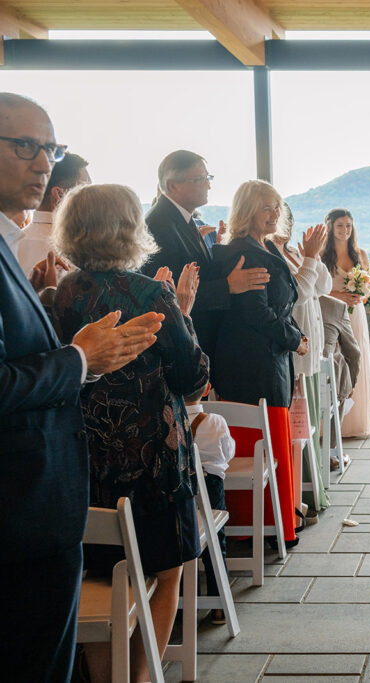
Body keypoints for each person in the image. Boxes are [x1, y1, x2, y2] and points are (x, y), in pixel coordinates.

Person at [0, 92, 162, 683]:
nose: (44, 163)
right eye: (25, 146)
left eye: (51, 147)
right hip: (19, 510)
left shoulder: (25, 257)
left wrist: (76, 347)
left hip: (45, 504)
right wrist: (78, 357)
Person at [50, 183, 208, 682]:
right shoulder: (150, 293)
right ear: (129, 229)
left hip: (87, 461)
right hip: (152, 463)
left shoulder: (61, 295)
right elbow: (192, 379)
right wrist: (184, 314)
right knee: (168, 572)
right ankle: (140, 678)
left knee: (103, 573)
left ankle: (106, 677)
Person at [211, 180, 308, 549]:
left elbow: (283, 305)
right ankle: (261, 528)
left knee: (275, 436)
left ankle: (278, 522)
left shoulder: (266, 246)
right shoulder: (241, 252)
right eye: (267, 207)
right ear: (248, 209)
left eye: (277, 206)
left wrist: (295, 334)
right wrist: (293, 339)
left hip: (271, 357)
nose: (275, 213)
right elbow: (256, 312)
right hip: (251, 361)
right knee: (260, 439)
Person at [141, 149, 270, 353]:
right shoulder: (158, 225)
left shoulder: (181, 218)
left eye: (208, 177)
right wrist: (227, 286)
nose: (208, 185)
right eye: (199, 179)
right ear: (172, 185)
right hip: (181, 345)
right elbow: (166, 294)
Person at [272, 205, 331, 511]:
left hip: (311, 347)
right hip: (295, 352)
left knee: (309, 427)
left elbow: (324, 286)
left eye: (288, 219)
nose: (285, 223)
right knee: (297, 431)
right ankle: (297, 499)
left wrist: (313, 256)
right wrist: (309, 258)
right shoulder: (272, 255)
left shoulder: (294, 251)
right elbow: (301, 294)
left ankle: (308, 492)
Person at [322, 207, 370, 438]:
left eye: (348, 226)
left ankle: (356, 422)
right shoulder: (323, 256)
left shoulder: (360, 254)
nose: (345, 230)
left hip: (355, 313)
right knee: (337, 360)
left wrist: (361, 294)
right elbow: (319, 289)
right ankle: (333, 424)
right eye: (340, 225)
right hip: (332, 315)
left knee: (356, 358)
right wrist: (338, 295)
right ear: (331, 228)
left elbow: (369, 287)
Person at [185, 383, 235, 626]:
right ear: (206, 388)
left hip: (181, 488)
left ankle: (184, 603)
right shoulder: (215, 421)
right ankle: (219, 607)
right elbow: (228, 453)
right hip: (210, 484)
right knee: (216, 543)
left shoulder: (168, 419)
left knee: (184, 541)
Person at [15, 151, 89, 276]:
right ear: (60, 194)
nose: (92, 197)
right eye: (84, 189)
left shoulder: (15, 241)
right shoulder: (71, 250)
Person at [320, 292, 361, 470]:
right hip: (327, 387)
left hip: (291, 384)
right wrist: (352, 383)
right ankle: (329, 452)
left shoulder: (280, 300)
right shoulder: (335, 306)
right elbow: (354, 353)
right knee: (340, 369)